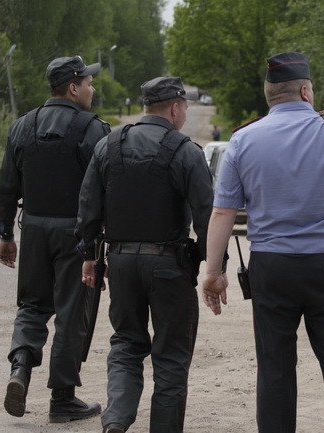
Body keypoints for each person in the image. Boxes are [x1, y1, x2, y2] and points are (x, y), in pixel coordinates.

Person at [202, 52, 324, 433]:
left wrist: (213, 272)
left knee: (274, 367)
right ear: (306, 91)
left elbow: (223, 212)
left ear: (269, 94)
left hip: (272, 268)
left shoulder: (243, 139)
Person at [75, 76, 215, 433]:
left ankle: (116, 421)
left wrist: (90, 255)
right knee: (171, 356)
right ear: (175, 108)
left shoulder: (108, 146)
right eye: (185, 107)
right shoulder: (186, 151)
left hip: (121, 263)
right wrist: (211, 266)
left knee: (126, 343)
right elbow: (206, 216)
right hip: (170, 265)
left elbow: (88, 207)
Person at [0, 55, 110, 422]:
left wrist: (6, 234)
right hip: (77, 235)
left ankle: (20, 368)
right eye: (88, 83)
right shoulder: (92, 129)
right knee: (72, 313)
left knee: (31, 305)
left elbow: (6, 187)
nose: (92, 88)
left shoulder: (22, 126)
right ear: (73, 88)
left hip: (34, 231)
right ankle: (62, 398)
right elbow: (105, 189)